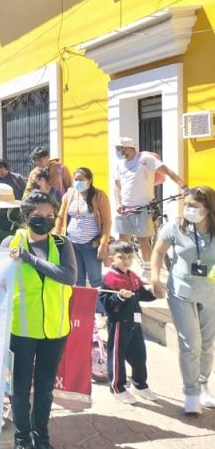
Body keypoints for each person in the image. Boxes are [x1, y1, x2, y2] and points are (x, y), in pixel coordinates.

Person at [4, 190, 76, 449]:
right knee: (20, 389)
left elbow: (68, 276)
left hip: (55, 330)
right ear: (26, 217)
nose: (44, 221)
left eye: (50, 216)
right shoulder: (12, 242)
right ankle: (22, 442)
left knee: (45, 389)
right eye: (38, 216)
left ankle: (42, 442)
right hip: (21, 330)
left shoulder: (62, 243)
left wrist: (30, 259)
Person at [150, 185, 215, 415]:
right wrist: (155, 278)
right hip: (181, 291)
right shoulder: (176, 227)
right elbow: (158, 252)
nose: (188, 209)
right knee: (190, 343)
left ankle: (203, 384)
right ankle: (191, 392)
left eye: (194, 206)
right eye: (186, 205)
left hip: (210, 292)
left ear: (208, 208)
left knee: (207, 344)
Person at [114, 136, 186, 269]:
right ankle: (122, 270)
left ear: (128, 147)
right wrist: (118, 203)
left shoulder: (145, 159)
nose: (117, 151)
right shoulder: (120, 165)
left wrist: (184, 187)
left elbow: (168, 171)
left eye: (119, 148)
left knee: (143, 241)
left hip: (143, 207)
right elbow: (117, 186)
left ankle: (149, 270)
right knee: (123, 241)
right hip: (125, 208)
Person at [99, 241, 157, 404]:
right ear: (111, 259)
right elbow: (106, 303)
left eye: (130, 257)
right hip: (119, 323)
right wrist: (119, 297)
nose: (126, 260)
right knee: (117, 355)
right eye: (121, 257)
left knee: (139, 354)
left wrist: (155, 292)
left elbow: (141, 294)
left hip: (135, 321)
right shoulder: (110, 278)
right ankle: (117, 387)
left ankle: (139, 384)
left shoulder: (133, 275)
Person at [55, 167, 111, 315]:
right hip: (72, 243)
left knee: (95, 279)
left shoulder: (99, 196)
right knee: (77, 278)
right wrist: (56, 236)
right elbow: (61, 217)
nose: (78, 183)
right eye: (76, 180)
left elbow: (107, 222)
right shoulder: (70, 194)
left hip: (91, 244)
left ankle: (101, 312)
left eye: (81, 180)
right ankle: (80, 311)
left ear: (90, 180)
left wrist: (103, 243)